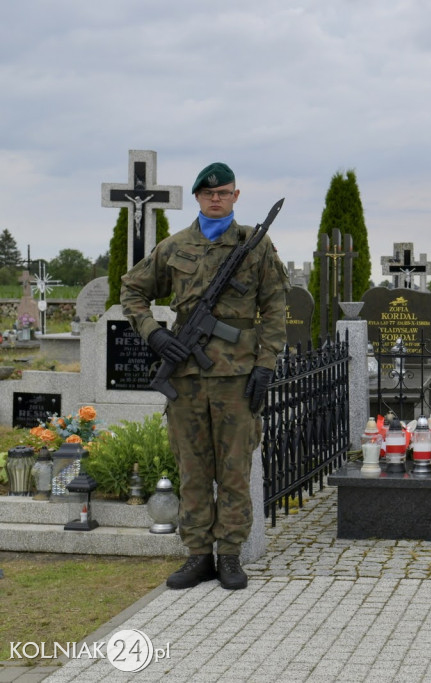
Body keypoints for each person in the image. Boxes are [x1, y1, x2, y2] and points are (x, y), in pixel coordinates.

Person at [121, 162, 288, 590]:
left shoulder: (255, 245)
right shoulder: (175, 247)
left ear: (236, 195)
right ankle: (198, 555)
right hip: (186, 379)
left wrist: (266, 365)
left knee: (233, 469)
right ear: (198, 197)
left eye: (225, 192)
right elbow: (132, 290)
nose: (217, 198)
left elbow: (273, 309)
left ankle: (229, 555)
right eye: (209, 193)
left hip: (236, 377)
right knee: (192, 468)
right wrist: (155, 335)